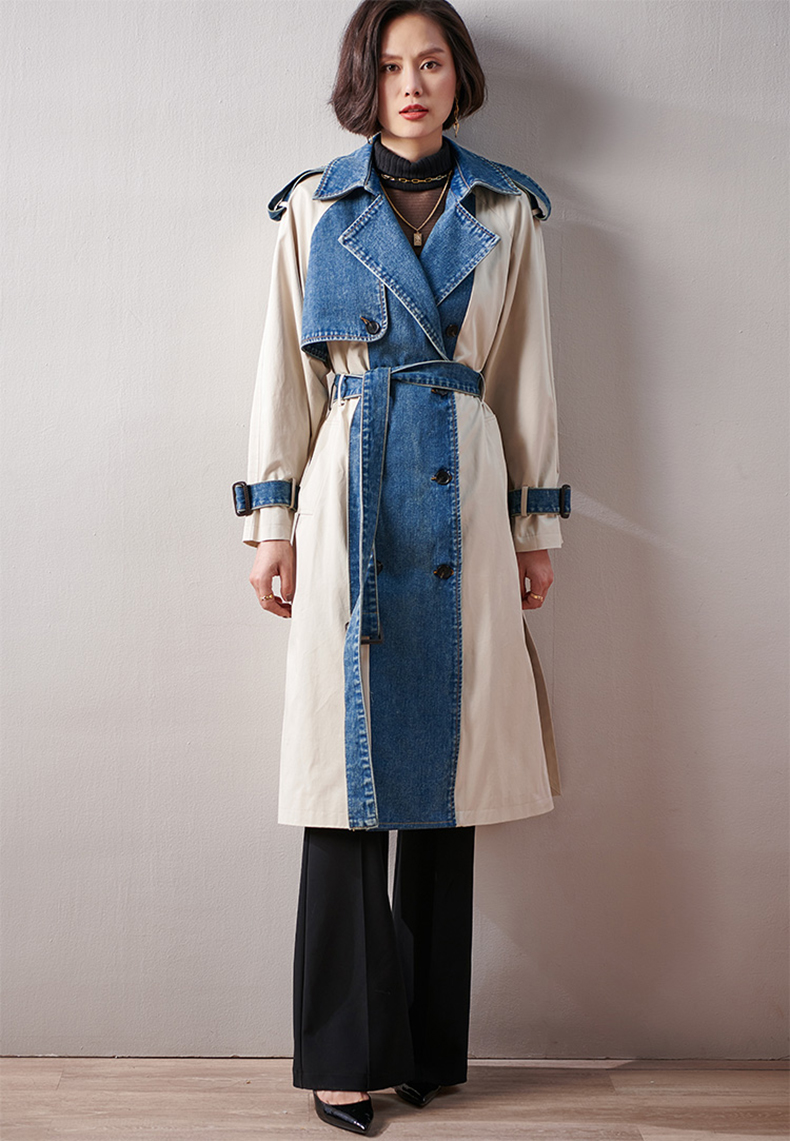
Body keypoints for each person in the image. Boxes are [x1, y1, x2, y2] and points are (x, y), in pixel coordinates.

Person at [232, 0, 571, 1132]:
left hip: (463, 493)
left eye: (429, 62)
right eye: (388, 66)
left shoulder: (506, 209)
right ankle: (342, 1052)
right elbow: (283, 372)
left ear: (457, 74)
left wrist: (534, 530)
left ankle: (426, 1048)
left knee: (446, 772)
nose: (411, 84)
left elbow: (525, 377)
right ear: (363, 82)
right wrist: (271, 520)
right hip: (349, 493)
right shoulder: (314, 208)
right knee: (343, 777)